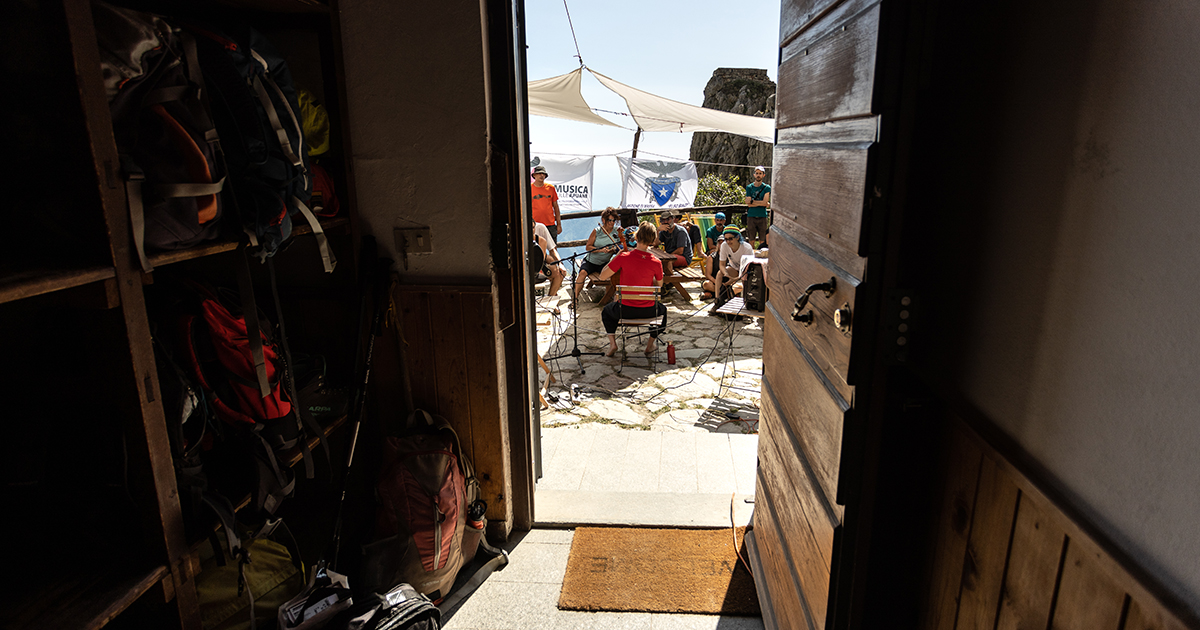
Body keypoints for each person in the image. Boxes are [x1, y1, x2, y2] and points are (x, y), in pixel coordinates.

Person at [598, 222, 667, 357]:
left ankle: (613, 344)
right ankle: (650, 345)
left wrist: (618, 256)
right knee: (663, 311)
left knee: (606, 311)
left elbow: (602, 276)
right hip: (648, 311)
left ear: (636, 237)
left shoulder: (624, 257)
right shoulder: (656, 262)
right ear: (652, 240)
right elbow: (659, 285)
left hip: (624, 311)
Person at [571, 207, 625, 305]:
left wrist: (612, 250)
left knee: (611, 276)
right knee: (582, 273)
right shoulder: (597, 231)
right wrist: (600, 250)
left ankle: (609, 299)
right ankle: (575, 299)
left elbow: (620, 248)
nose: (612, 222)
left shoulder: (616, 232)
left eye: (614, 220)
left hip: (604, 263)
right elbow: (588, 247)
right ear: (604, 220)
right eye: (609, 220)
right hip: (591, 261)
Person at [702, 225, 756, 299]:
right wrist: (726, 274)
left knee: (744, 281)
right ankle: (717, 299)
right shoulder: (724, 245)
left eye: (730, 239)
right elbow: (722, 265)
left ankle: (745, 299)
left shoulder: (746, 248)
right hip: (734, 268)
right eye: (726, 239)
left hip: (746, 270)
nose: (728, 241)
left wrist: (735, 279)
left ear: (737, 237)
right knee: (720, 273)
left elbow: (747, 268)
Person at [533, 221, 565, 303]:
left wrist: (559, 263)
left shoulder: (541, 240)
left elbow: (543, 257)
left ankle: (550, 301)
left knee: (559, 272)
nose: (532, 230)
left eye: (533, 227)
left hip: (537, 269)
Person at [530, 165, 562, 243]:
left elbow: (556, 207)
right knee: (537, 249)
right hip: (535, 224)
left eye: (543, 174)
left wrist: (559, 224)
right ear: (534, 175)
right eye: (539, 173)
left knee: (553, 248)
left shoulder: (551, 188)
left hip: (550, 224)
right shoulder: (529, 188)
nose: (542, 175)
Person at [744, 166, 771, 249]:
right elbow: (748, 203)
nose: (758, 175)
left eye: (760, 173)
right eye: (757, 173)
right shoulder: (749, 187)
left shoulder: (767, 188)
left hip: (762, 216)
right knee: (751, 239)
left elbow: (765, 202)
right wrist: (762, 203)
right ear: (754, 175)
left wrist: (753, 202)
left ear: (763, 175)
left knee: (762, 240)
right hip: (751, 216)